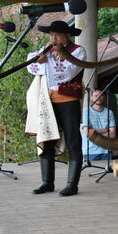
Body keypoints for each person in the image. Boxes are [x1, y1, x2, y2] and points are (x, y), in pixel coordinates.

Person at [26, 20, 85, 197]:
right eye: (51, 34)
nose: (53, 38)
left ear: (67, 35)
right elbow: (31, 64)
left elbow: (66, 73)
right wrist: (45, 58)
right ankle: (47, 182)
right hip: (48, 101)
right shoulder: (48, 50)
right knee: (47, 139)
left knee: (74, 142)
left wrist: (47, 61)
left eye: (57, 34)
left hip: (68, 101)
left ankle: (72, 185)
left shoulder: (78, 51)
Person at [81, 89, 116, 161]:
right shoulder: (86, 111)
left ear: (104, 97)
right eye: (96, 96)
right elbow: (88, 132)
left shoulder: (109, 112)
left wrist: (95, 133)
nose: (98, 98)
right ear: (91, 97)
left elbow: (112, 134)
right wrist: (104, 130)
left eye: (100, 96)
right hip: (90, 151)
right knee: (90, 172)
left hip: (106, 150)